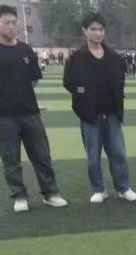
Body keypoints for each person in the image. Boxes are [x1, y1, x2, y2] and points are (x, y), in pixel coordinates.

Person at [63, 12, 136, 203]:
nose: (97, 33)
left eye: (100, 29)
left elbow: (120, 80)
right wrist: (83, 100)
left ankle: (124, 188)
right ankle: (99, 189)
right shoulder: (76, 58)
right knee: (93, 156)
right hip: (90, 116)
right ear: (85, 30)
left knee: (118, 153)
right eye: (93, 29)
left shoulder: (114, 57)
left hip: (112, 113)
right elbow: (69, 83)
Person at [0, 4, 68, 213]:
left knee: (42, 156)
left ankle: (50, 193)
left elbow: (33, 80)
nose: (12, 26)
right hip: (4, 116)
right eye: (7, 23)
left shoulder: (25, 50)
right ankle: (19, 196)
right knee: (11, 159)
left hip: (30, 113)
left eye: (14, 22)